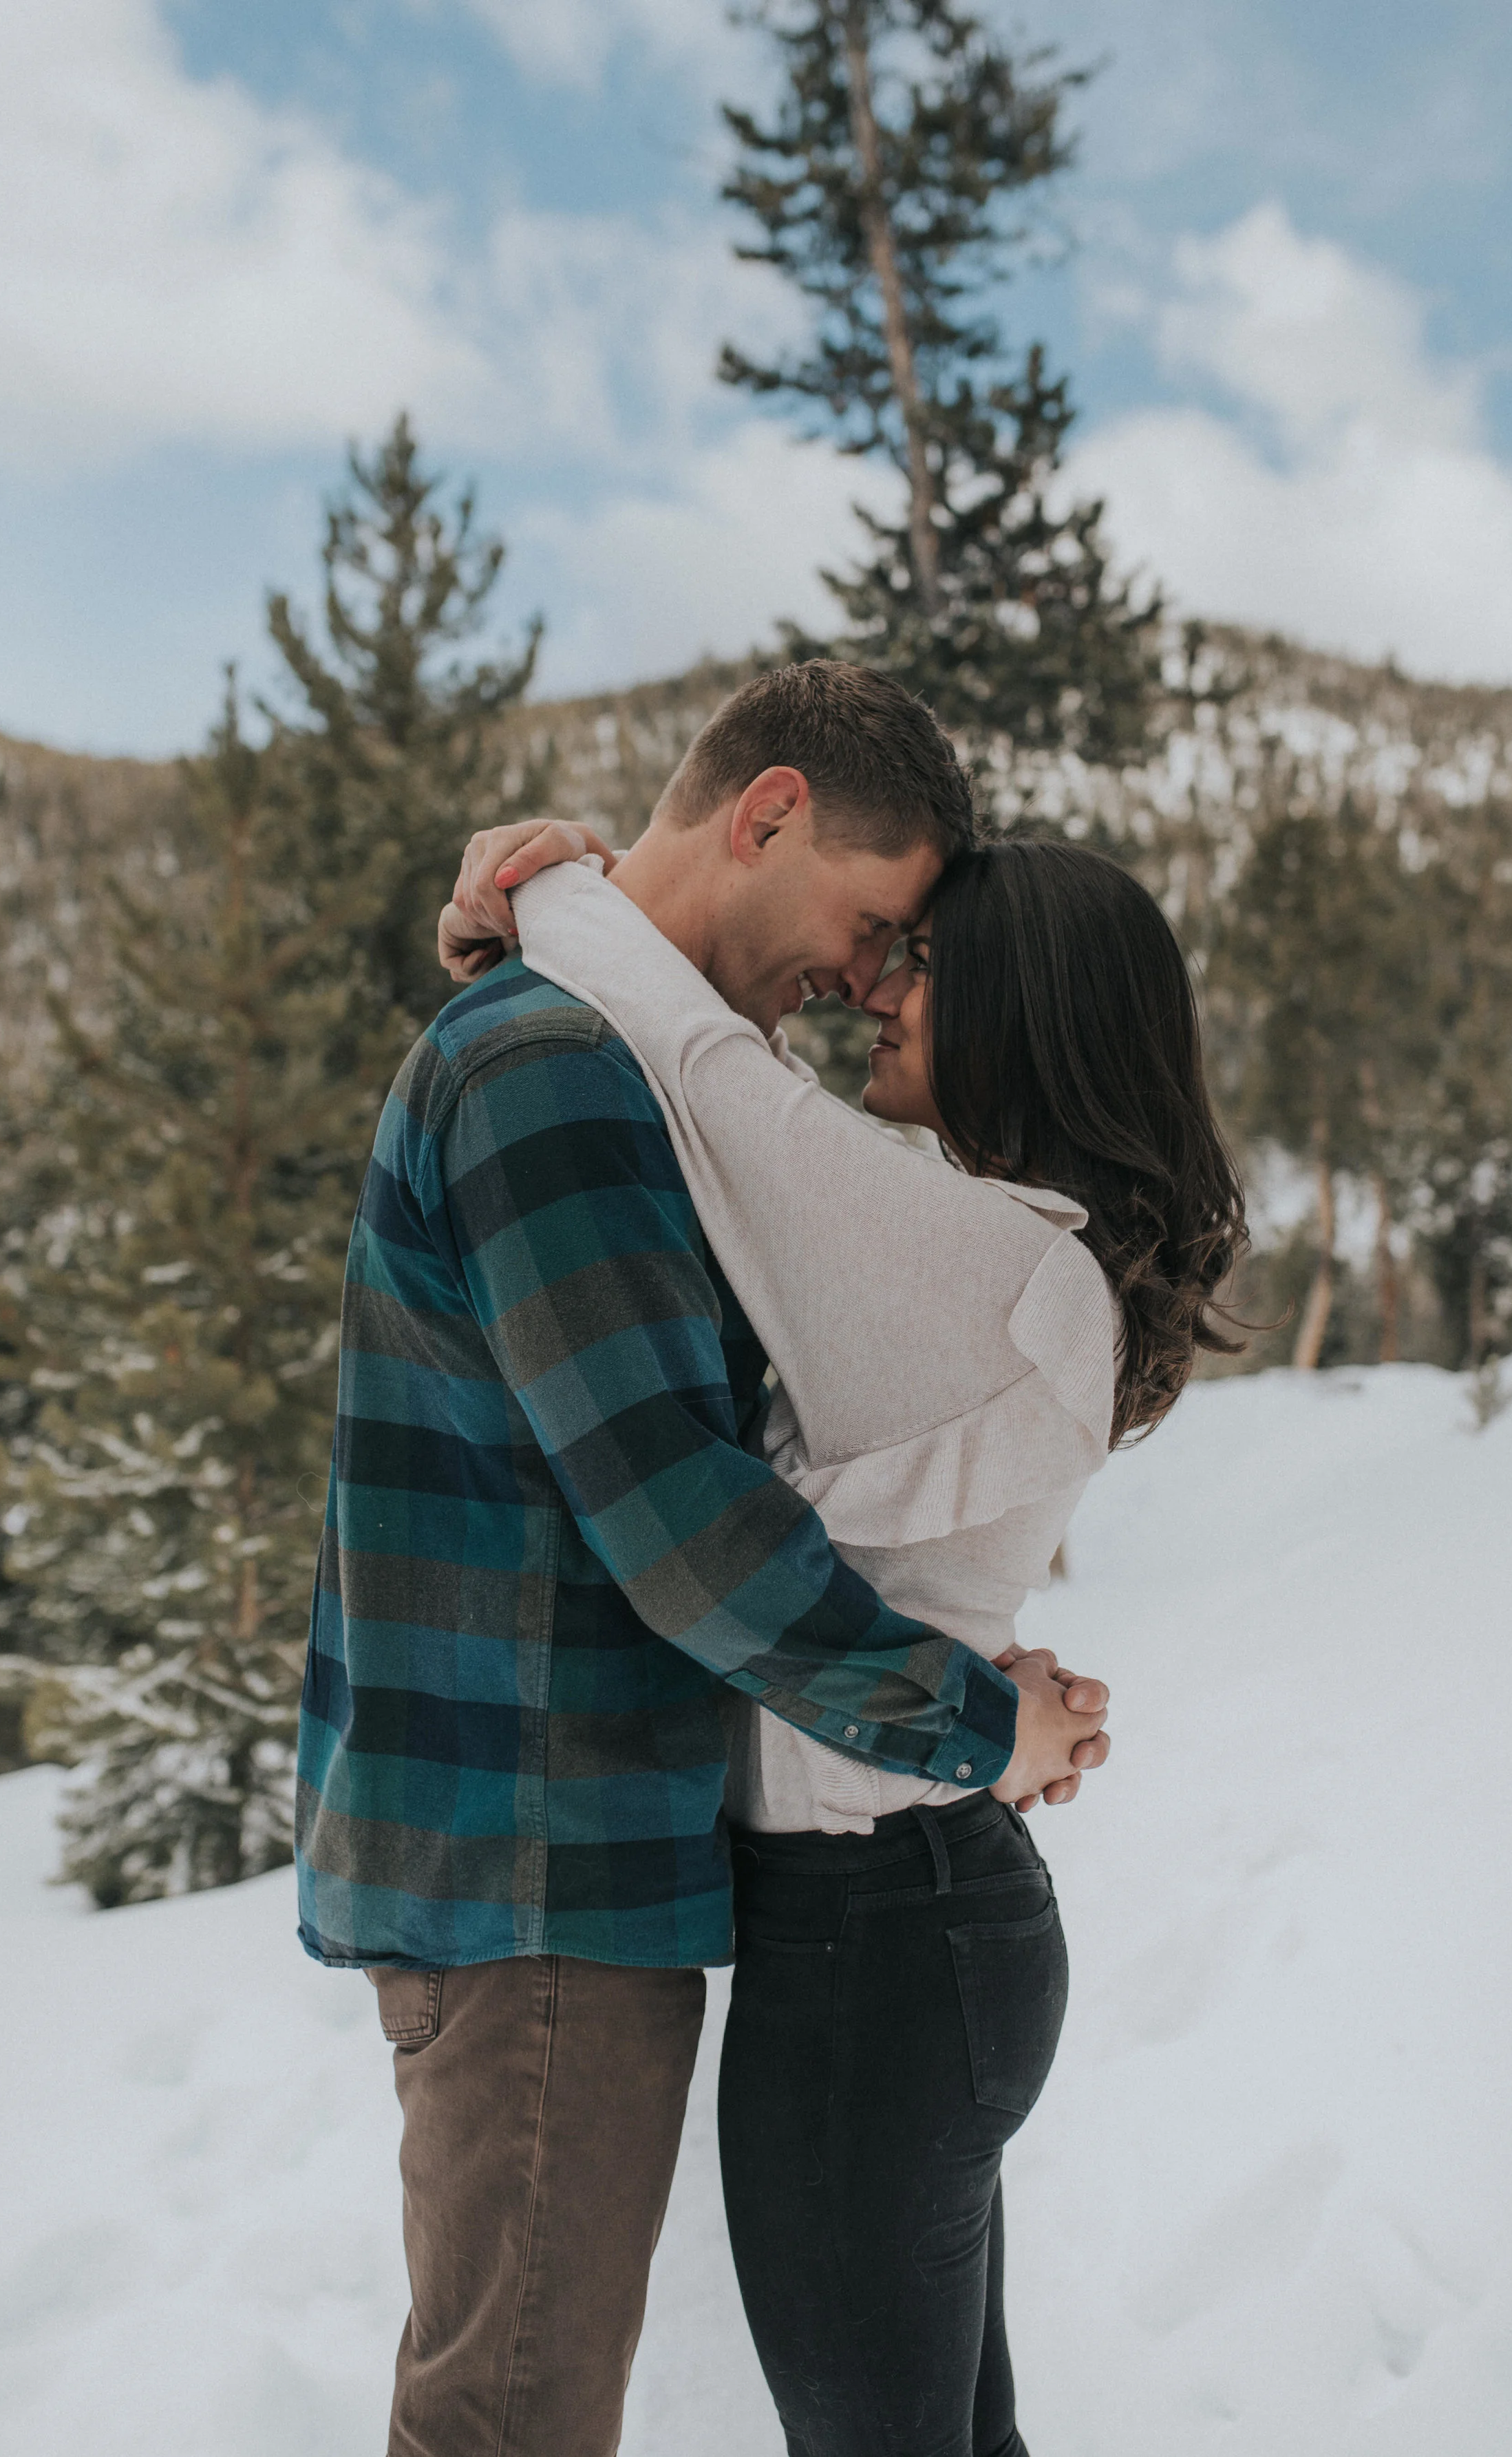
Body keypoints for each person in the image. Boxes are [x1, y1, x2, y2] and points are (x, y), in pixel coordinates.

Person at [294, 661, 1107, 2457]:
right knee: (507, 2423)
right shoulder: (553, 1073)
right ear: (768, 813)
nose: (870, 978)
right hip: (533, 1861)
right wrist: (971, 1722)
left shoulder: (592, 1054)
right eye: (872, 919)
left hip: (557, 1851)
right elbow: (684, 1519)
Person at [438, 792, 1246, 2457]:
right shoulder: (1019, 1258)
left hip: (877, 1942)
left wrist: (561, 887)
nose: (877, 990)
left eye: (925, 965)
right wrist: (972, 1690)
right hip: (911, 1921)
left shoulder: (984, 1260)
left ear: (1028, 1014)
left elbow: (714, 1089)